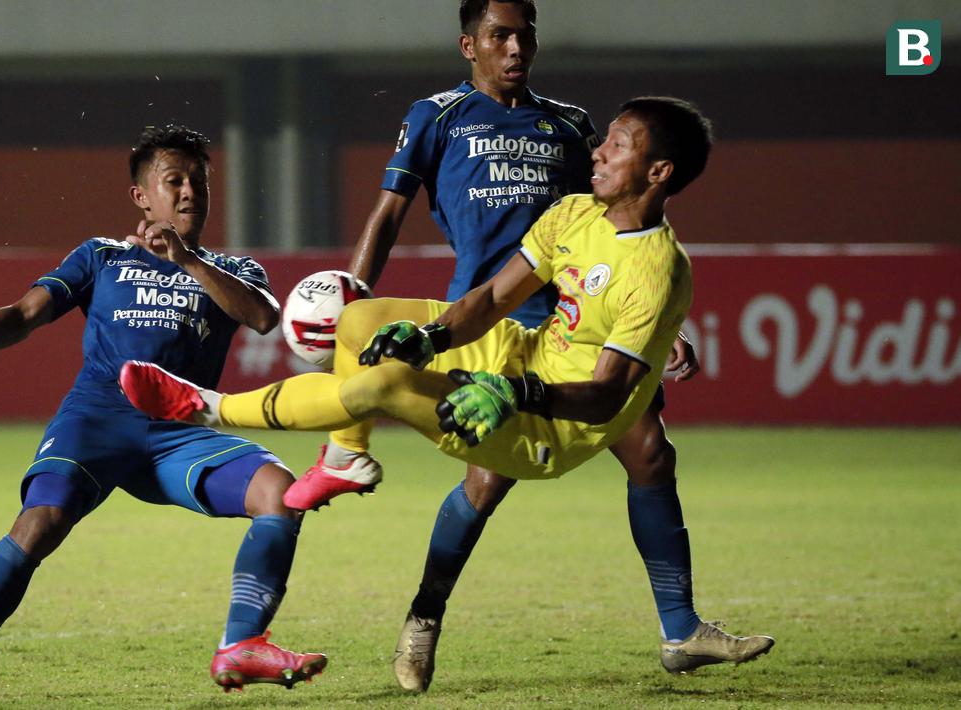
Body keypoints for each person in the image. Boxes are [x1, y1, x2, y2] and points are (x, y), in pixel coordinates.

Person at [120, 97, 774, 682]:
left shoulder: (655, 271)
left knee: (387, 386)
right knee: (359, 321)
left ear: (658, 172)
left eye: (618, 145)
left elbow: (603, 396)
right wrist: (430, 338)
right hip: (521, 348)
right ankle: (345, 456)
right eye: (604, 139)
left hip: (549, 425)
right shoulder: (574, 210)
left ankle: (204, 407)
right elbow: (493, 294)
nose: (597, 151)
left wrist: (511, 394)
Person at [338, 0, 704, 691]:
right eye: (499, 35)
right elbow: (390, 209)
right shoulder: (437, 115)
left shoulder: (568, 125)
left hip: (576, 313)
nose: (515, 47)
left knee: (650, 451)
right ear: (467, 45)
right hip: (488, 315)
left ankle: (679, 628)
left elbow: (620, 220)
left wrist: (664, 324)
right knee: (484, 483)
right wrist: (353, 292)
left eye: (524, 34)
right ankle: (424, 615)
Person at [0, 124, 326, 703]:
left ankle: (241, 643)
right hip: (98, 420)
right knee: (39, 524)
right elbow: (25, 314)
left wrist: (187, 262)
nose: (188, 193)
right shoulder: (100, 256)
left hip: (180, 433)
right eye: (174, 181)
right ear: (142, 197)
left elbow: (261, 317)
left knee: (280, 493)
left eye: (198, 182)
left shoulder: (234, 269)